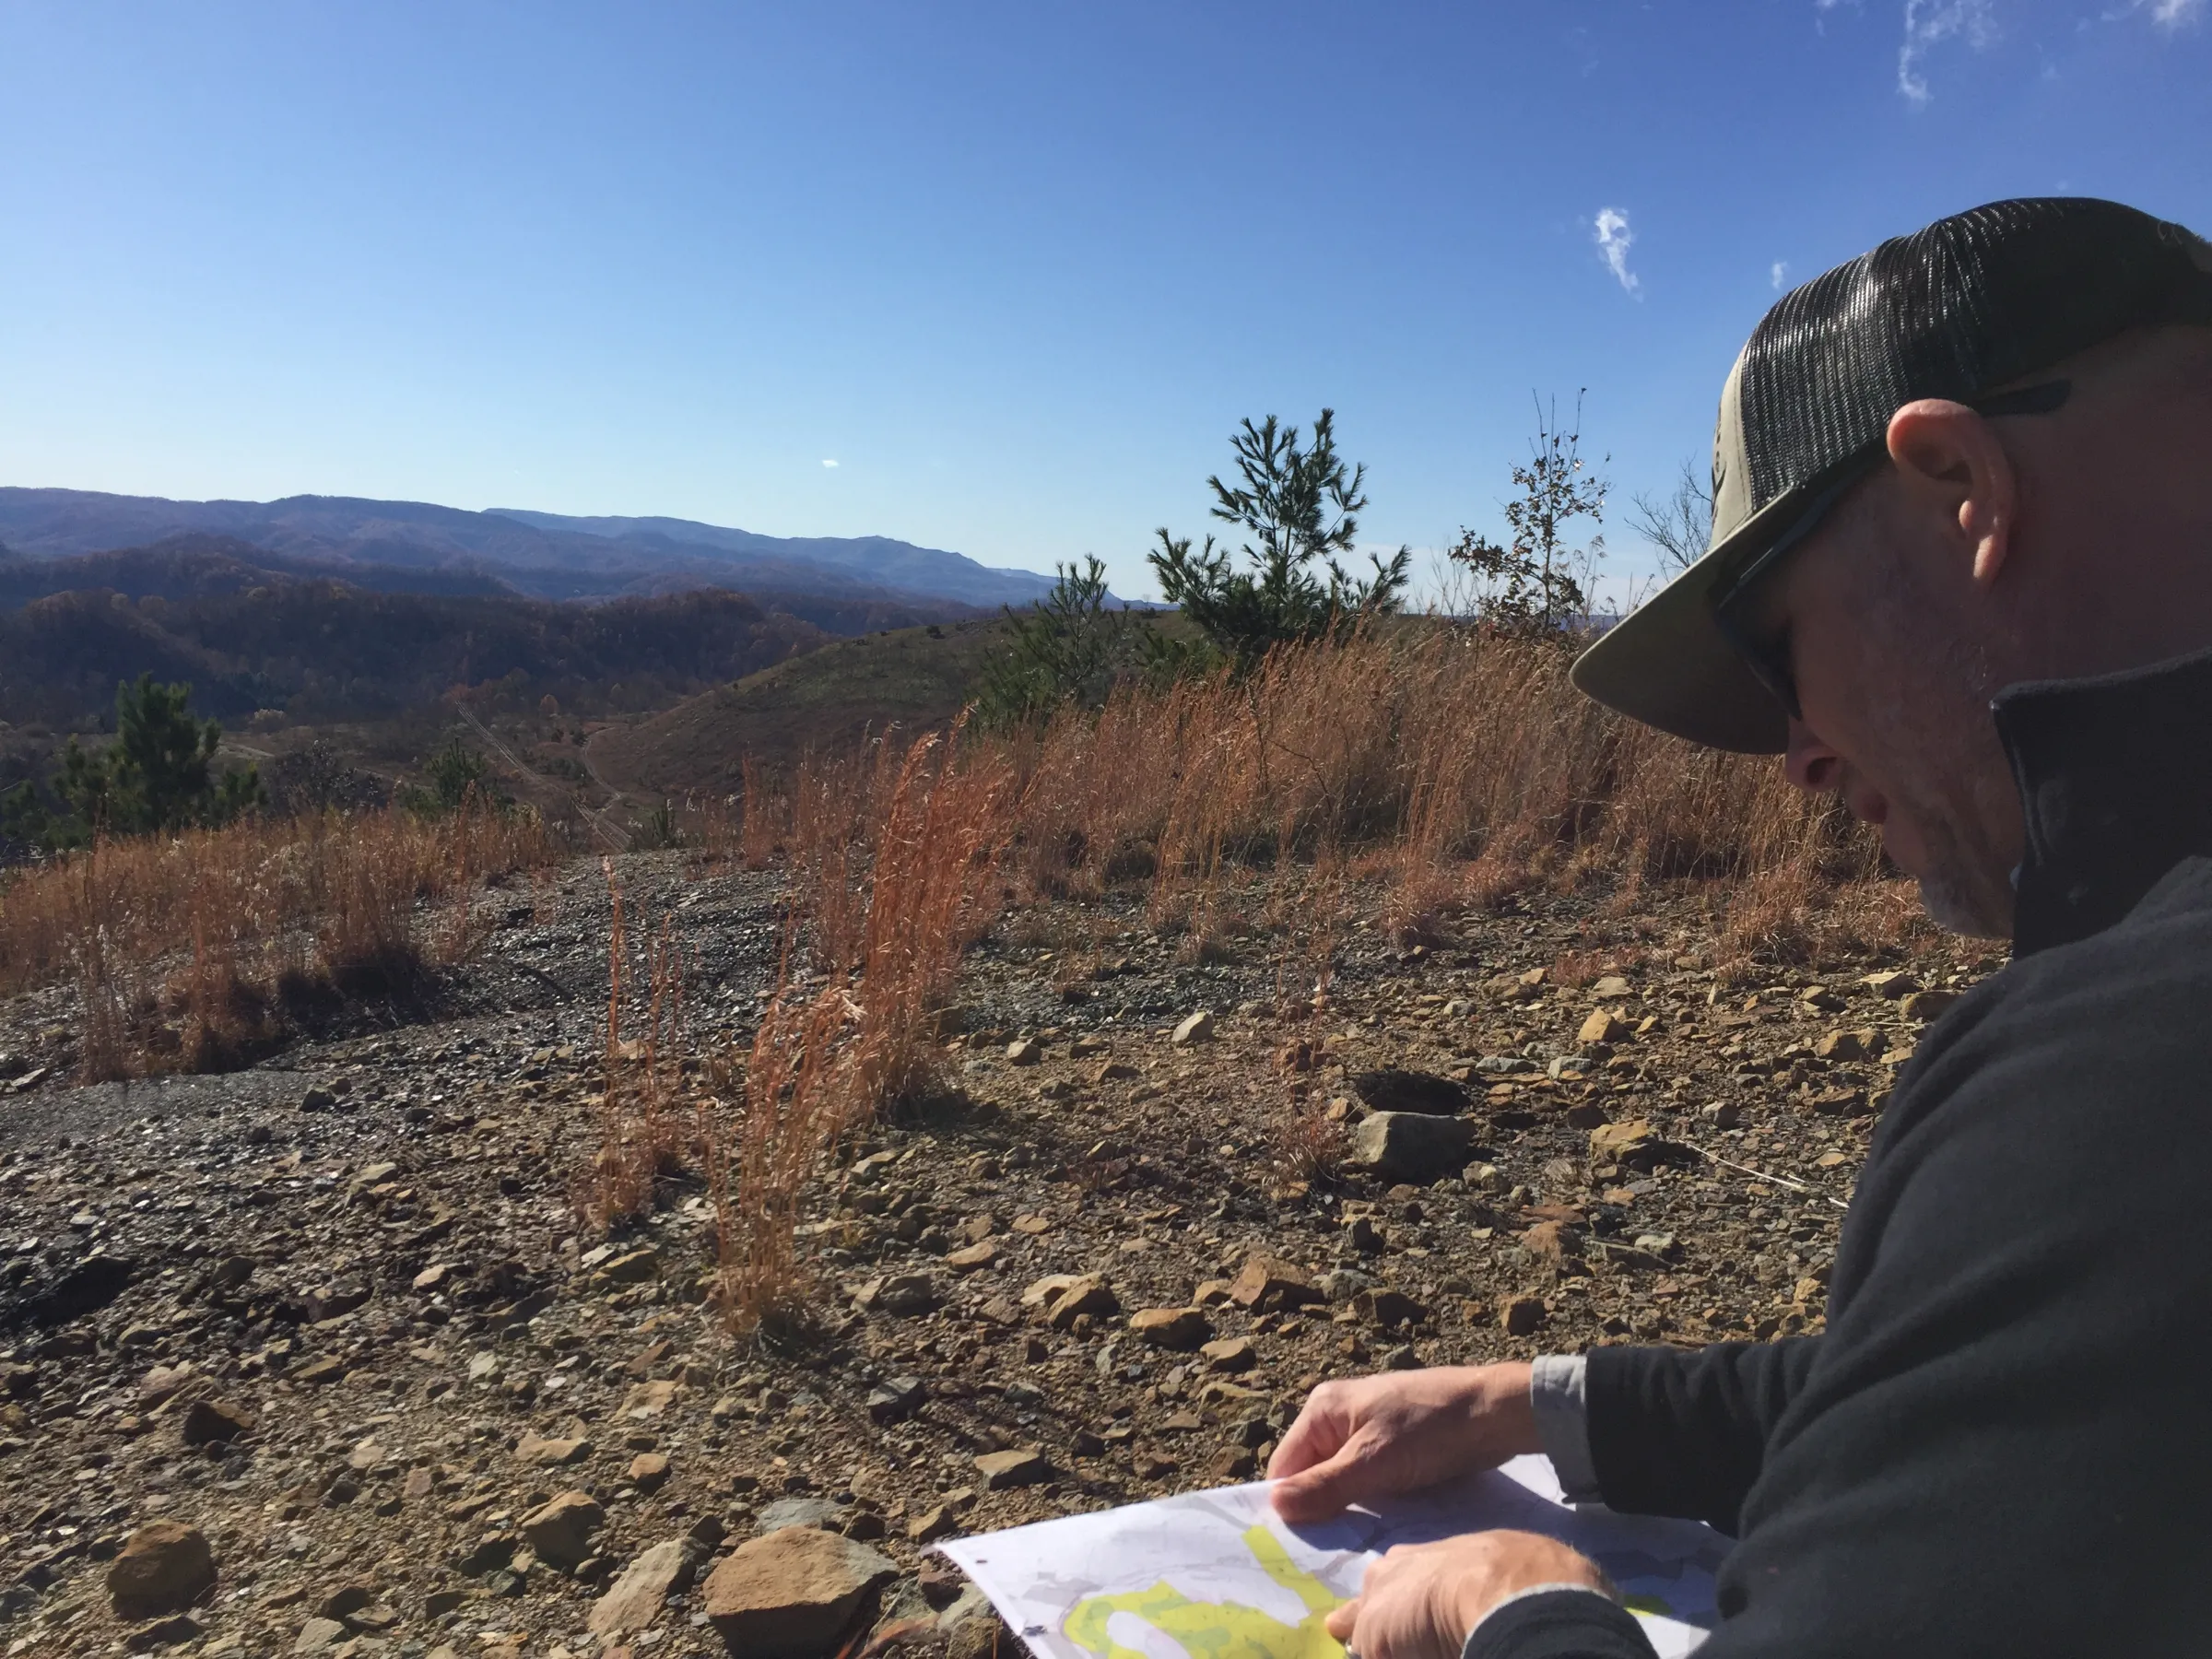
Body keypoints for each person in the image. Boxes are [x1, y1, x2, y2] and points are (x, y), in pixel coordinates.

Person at [1268, 197, 2212, 1659]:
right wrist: (1530, 1400)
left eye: (1779, 653)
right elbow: (2002, 1385)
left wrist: (1513, 1607)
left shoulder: (2122, 1068)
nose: (1799, 761)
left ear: (1965, 484)